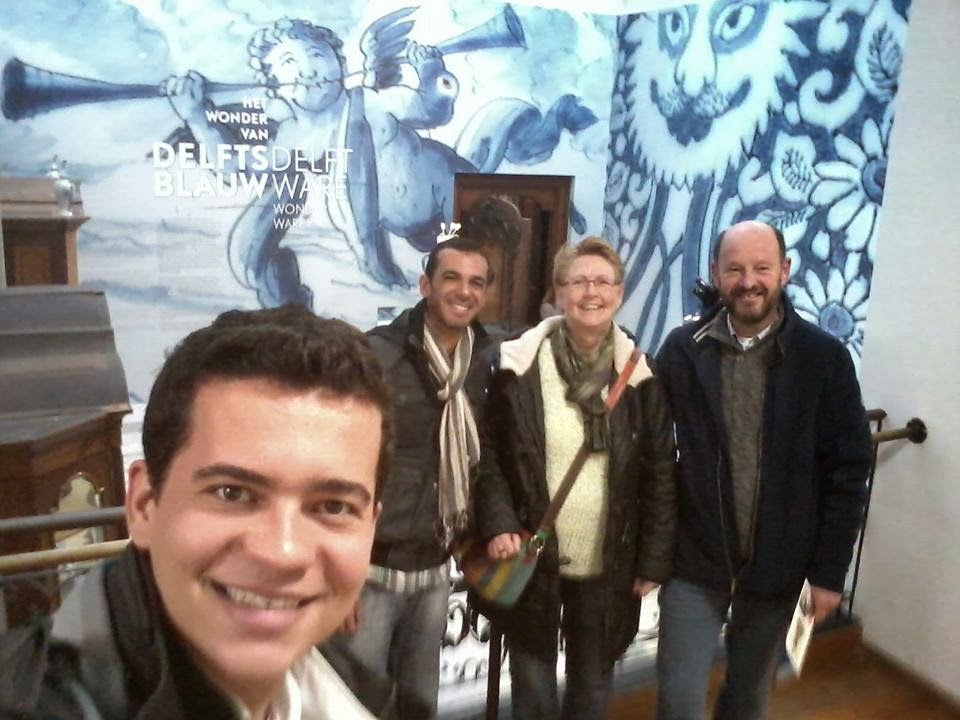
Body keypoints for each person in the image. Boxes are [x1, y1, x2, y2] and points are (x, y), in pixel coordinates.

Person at [0, 305, 391, 720]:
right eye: (232, 493)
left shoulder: (364, 687)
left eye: (333, 507)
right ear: (144, 505)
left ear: (371, 527)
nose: (283, 553)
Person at [654, 220, 874, 720]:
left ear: (784, 271)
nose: (748, 281)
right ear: (715, 273)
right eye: (735, 269)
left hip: (780, 568)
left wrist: (828, 573)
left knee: (747, 700)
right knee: (678, 702)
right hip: (694, 562)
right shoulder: (683, 350)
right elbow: (645, 445)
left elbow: (847, 471)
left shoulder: (824, 359)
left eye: (761, 268)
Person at [473, 236, 678, 720]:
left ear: (619, 293)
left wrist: (653, 557)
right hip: (532, 552)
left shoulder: (641, 375)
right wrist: (499, 521)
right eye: (578, 281)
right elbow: (491, 455)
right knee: (533, 684)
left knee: (592, 685)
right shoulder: (517, 365)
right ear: (559, 291)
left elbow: (660, 470)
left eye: (602, 282)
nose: (591, 292)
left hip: (610, 560)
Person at [323, 233, 493, 718]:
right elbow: (334, 467)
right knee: (355, 707)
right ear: (425, 285)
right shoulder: (378, 356)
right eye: (452, 278)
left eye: (476, 282)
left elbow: (487, 460)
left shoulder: (484, 360)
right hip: (370, 573)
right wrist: (339, 578)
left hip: (435, 569)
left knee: (419, 705)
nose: (464, 291)